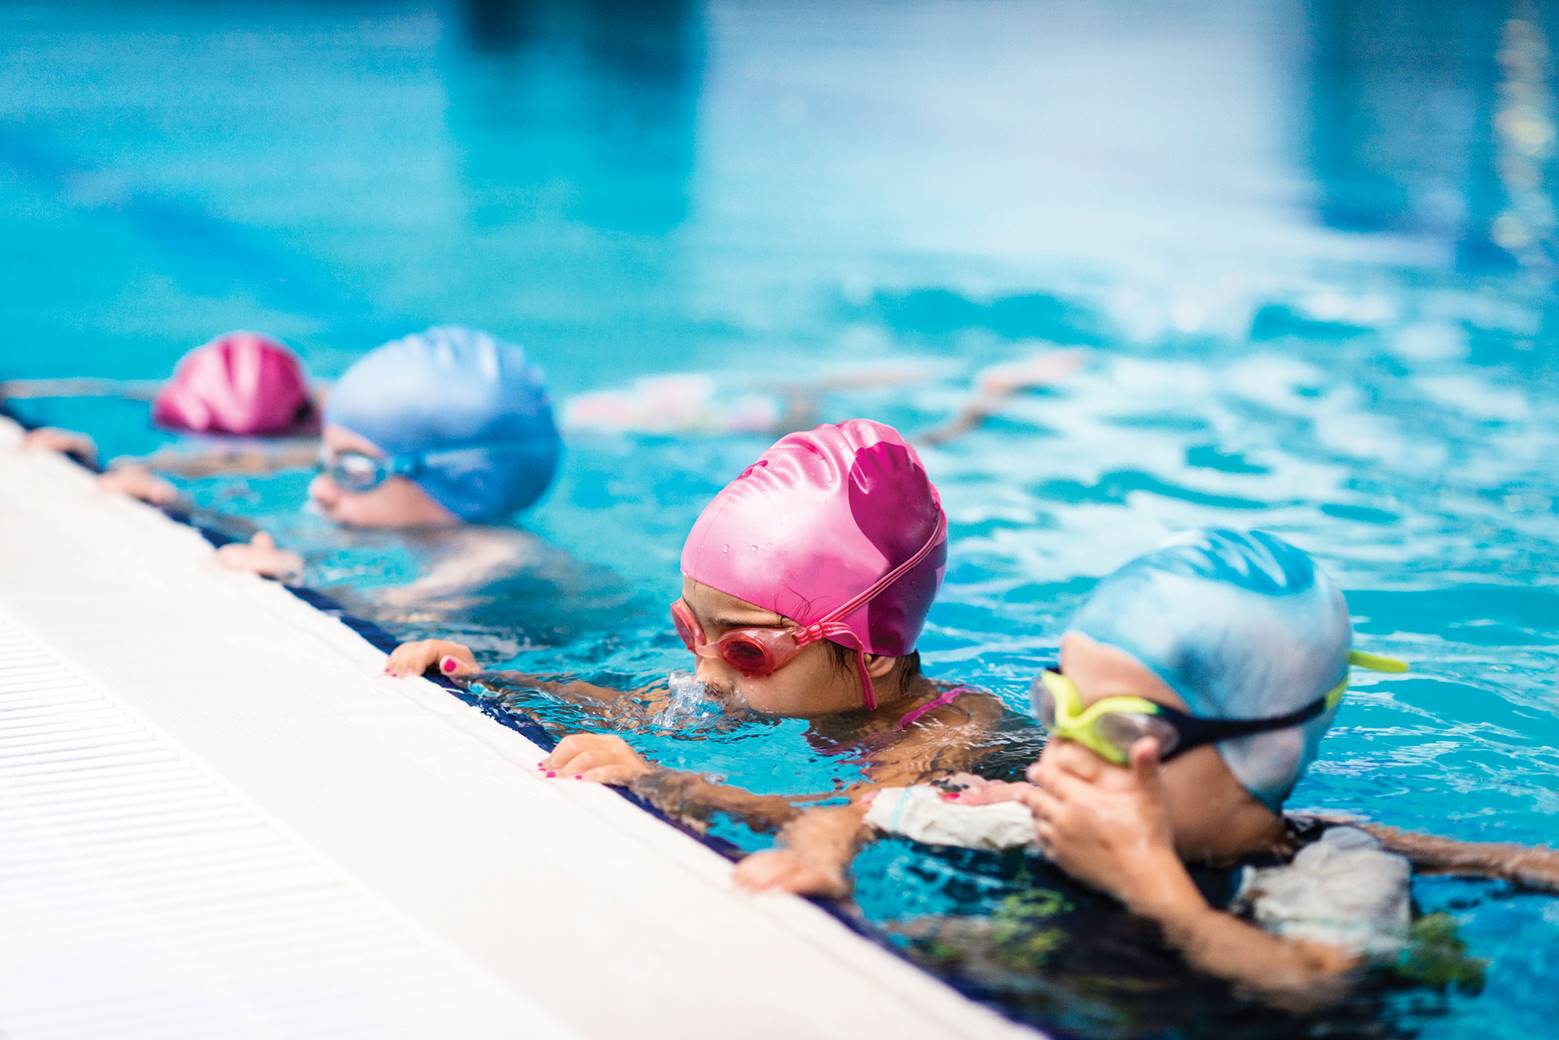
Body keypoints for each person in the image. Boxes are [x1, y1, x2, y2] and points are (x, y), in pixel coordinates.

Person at [385, 419, 1039, 896]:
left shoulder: (954, 729)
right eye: (692, 634)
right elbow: (636, 709)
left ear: (868, 655)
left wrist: (656, 781)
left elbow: (843, 815)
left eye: (744, 651)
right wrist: (483, 680)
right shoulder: (772, 687)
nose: (706, 675)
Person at [911, 529, 1559, 1009]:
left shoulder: (1341, 868)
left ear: (1263, 751)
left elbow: (1312, 984)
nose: (1058, 759)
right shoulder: (1050, 809)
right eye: (1056, 707)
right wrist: (829, 851)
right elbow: (862, 815)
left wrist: (1149, 884)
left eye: (1121, 731)